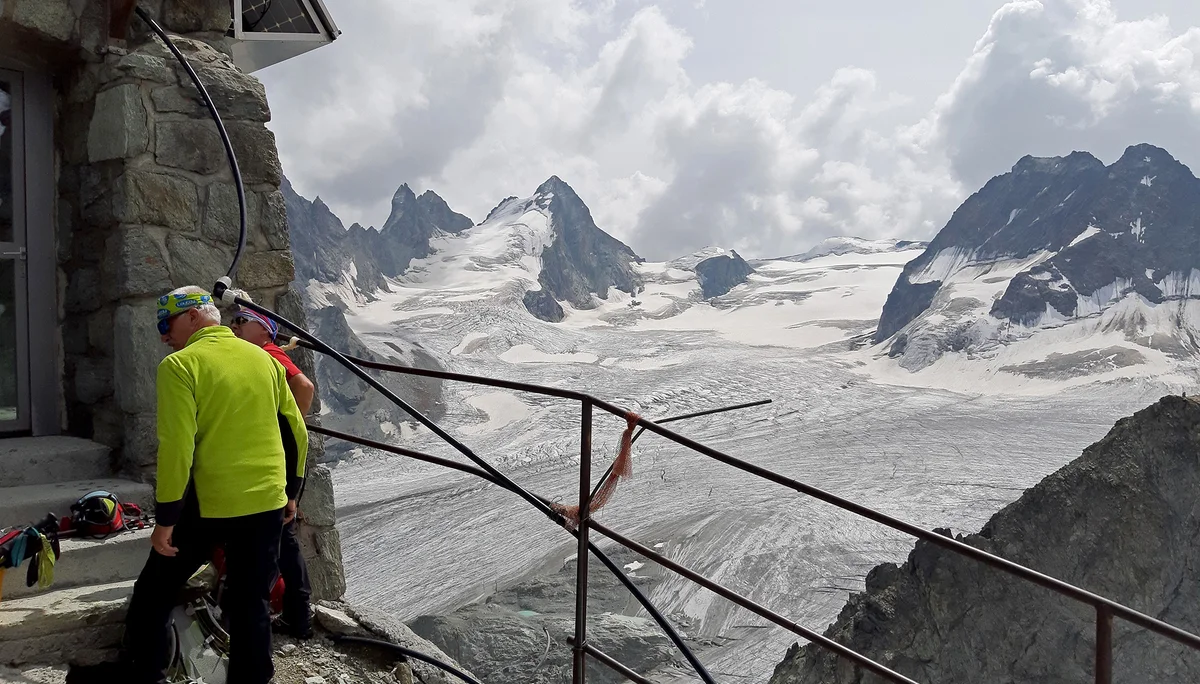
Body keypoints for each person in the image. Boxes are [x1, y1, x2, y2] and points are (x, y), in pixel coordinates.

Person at [122, 286, 308, 684]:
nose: (162, 334)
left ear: (192, 317)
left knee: (154, 592)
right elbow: (296, 431)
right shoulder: (265, 360)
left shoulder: (180, 365)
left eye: (165, 323)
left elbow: (177, 450)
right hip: (266, 500)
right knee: (251, 602)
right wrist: (293, 491)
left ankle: (147, 674)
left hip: (210, 503)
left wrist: (166, 520)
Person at [229, 297, 315, 639]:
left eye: (241, 320)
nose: (233, 326)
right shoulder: (261, 355)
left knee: (282, 537)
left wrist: (289, 422)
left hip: (276, 458)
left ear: (264, 329)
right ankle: (296, 614)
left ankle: (293, 615)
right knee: (282, 537)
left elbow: (304, 387)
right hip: (280, 458)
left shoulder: (267, 354)